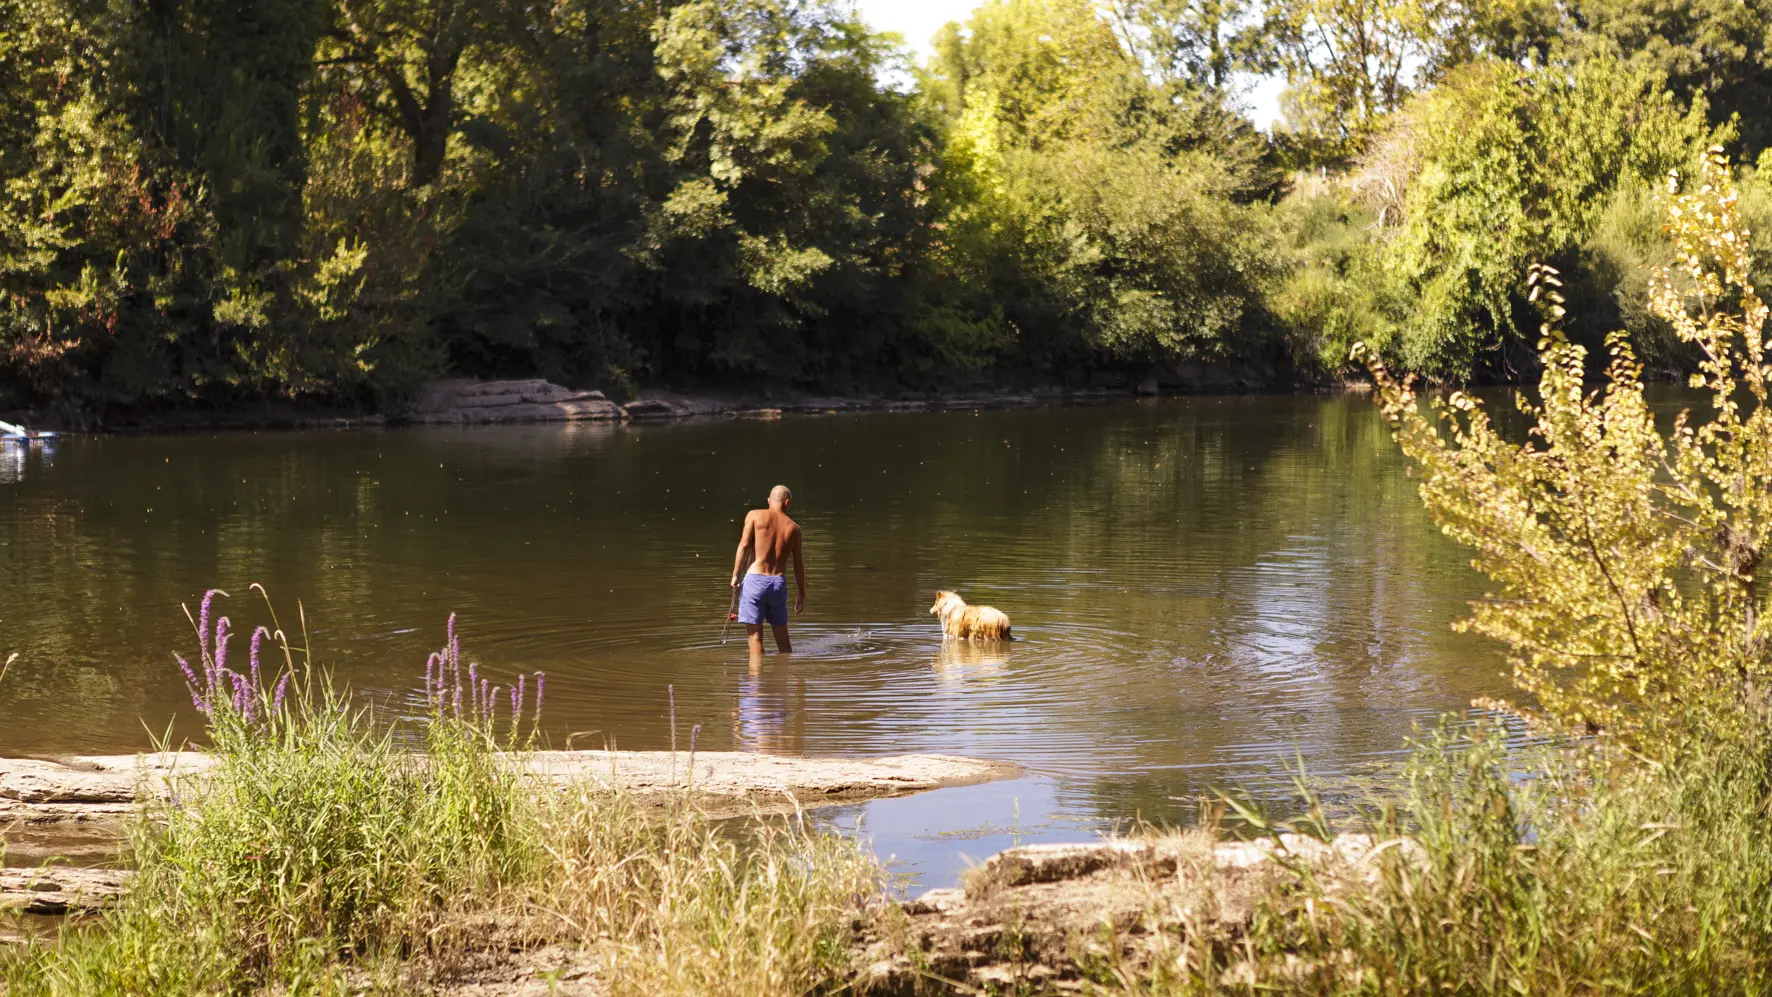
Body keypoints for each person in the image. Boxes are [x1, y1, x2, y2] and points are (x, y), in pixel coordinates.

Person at [731, 485, 805, 655]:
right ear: (787, 502)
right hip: (777, 582)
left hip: (755, 580)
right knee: (784, 643)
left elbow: (743, 545)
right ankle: (784, 677)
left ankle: (756, 677)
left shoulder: (755, 516)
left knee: (755, 638)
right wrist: (802, 593)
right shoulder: (794, 529)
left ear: (769, 501)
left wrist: (735, 574)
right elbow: (798, 564)